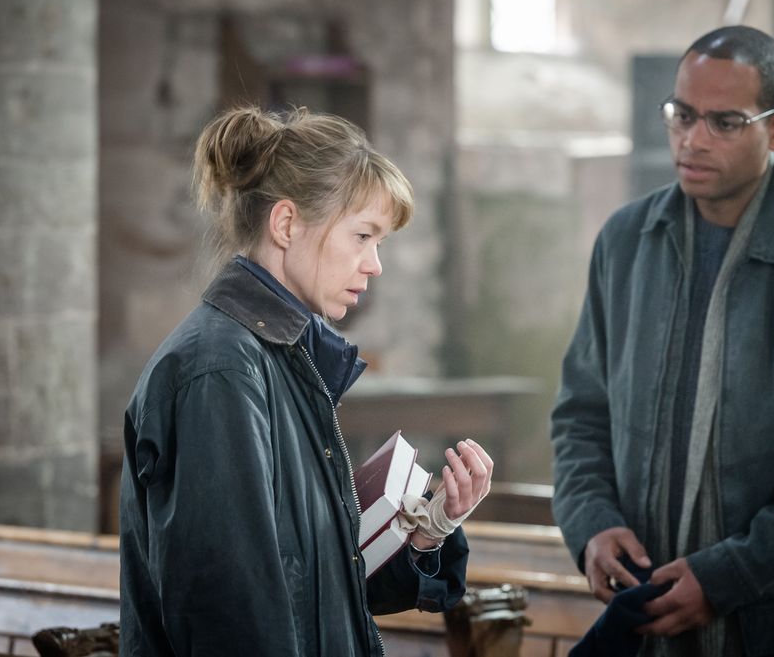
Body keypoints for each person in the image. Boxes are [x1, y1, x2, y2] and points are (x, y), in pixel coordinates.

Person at [550, 25, 774, 657]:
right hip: (646, 607)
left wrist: (726, 577)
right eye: (681, 114)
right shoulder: (627, 241)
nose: (693, 139)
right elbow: (581, 413)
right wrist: (592, 524)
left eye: (725, 122)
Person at [119, 106, 493, 656]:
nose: (374, 265)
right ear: (287, 224)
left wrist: (430, 526)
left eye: (379, 243)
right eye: (362, 236)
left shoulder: (278, 357)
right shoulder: (220, 371)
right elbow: (230, 617)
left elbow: (323, 591)